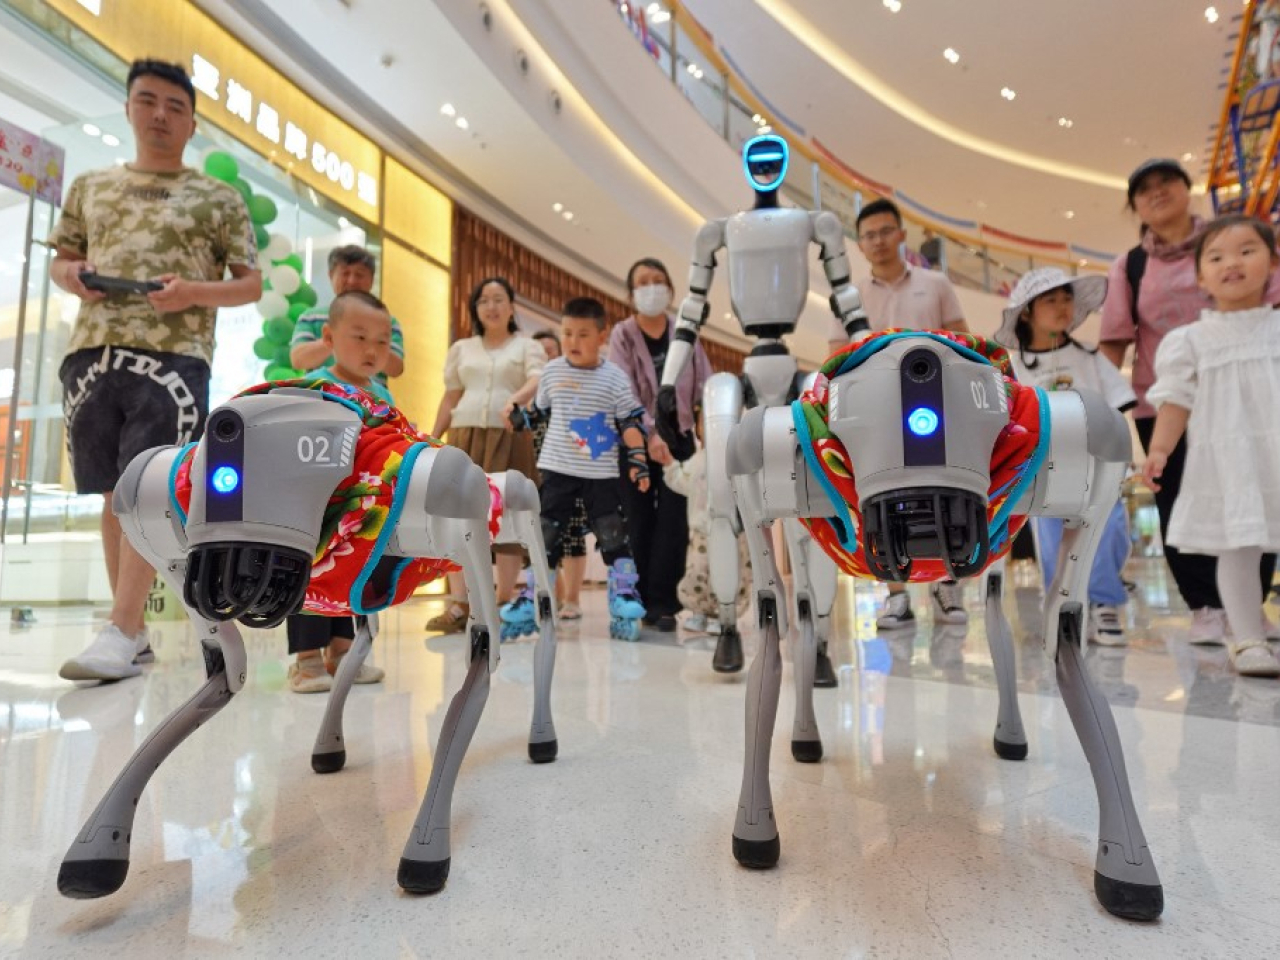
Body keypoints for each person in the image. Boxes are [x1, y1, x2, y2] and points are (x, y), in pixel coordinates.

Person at [54, 59, 261, 683]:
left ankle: (120, 629)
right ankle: (132, 631)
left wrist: (193, 292)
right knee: (111, 492)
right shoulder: (91, 186)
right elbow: (63, 260)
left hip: (174, 355)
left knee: (148, 486)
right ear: (128, 109)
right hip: (92, 350)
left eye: (175, 106)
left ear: (193, 121)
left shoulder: (217, 197)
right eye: (147, 101)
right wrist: (74, 278)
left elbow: (249, 284)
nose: (161, 115)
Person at [1100, 159, 1280, 644]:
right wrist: (1097, 398)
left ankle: (1248, 607)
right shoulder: (1132, 264)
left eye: (1167, 183)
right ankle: (1205, 606)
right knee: (1181, 500)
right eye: (1144, 190)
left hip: (1257, 403)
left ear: (1187, 190)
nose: (1157, 193)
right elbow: (1116, 334)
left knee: (1258, 498)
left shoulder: (1236, 237)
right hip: (1165, 400)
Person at [1141, 214, 1280, 677]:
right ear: (1200, 278)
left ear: (1272, 262)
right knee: (1237, 549)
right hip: (1230, 461)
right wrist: (1159, 450)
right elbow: (1175, 402)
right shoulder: (1190, 341)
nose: (1232, 263)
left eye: (1246, 251)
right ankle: (1248, 640)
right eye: (1216, 257)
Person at [825, 199, 971, 630]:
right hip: (876, 416)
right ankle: (895, 593)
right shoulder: (847, 297)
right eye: (869, 235)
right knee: (879, 498)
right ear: (860, 244)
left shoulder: (935, 283)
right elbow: (836, 356)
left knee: (945, 491)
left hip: (936, 405)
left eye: (886, 231)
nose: (878, 241)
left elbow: (962, 341)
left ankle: (947, 586)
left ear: (902, 235)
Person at [998, 267, 1136, 646]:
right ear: (1027, 310)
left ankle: (1105, 605)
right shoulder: (1014, 367)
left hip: (1096, 462)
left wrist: (1124, 455)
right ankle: (1061, 607)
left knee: (1107, 531)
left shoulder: (1090, 357)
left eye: (1066, 298)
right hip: (1043, 470)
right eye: (1050, 300)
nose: (1062, 307)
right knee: (1051, 540)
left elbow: (1118, 405)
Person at [501, 297, 649, 639]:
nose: (572, 342)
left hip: (601, 475)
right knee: (547, 533)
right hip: (557, 469)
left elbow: (629, 421)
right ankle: (532, 596)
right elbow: (539, 413)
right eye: (567, 333)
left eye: (583, 334)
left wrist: (639, 462)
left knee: (613, 533)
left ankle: (624, 595)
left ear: (602, 336)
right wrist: (519, 419)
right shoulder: (552, 371)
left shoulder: (614, 378)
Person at [286, 291, 395, 692]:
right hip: (316, 506)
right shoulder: (317, 387)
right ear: (329, 337)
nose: (372, 349)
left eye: (382, 341)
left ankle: (345, 652)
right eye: (360, 337)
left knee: (353, 574)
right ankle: (307, 660)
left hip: (362, 508)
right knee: (310, 577)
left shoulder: (383, 395)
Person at [427, 277, 545, 632]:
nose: (491, 306)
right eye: (483, 301)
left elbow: (539, 378)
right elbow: (451, 396)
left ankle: (502, 602)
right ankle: (460, 605)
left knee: (505, 517)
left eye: (499, 299)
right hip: (463, 437)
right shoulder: (462, 348)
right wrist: (433, 438)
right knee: (456, 519)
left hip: (509, 437)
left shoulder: (526, 346)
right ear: (475, 309)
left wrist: (515, 399)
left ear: (511, 307)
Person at [609, 257, 712, 631]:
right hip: (636, 437)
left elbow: (705, 383)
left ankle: (664, 603)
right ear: (631, 294)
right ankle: (635, 599)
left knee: (675, 521)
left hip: (680, 437)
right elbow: (621, 389)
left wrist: (703, 426)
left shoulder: (685, 334)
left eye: (658, 280)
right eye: (642, 282)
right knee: (638, 517)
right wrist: (650, 432)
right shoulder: (622, 335)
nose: (651, 287)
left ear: (669, 289)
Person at [663, 407, 751, 633]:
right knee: (698, 571)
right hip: (701, 531)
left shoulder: (738, 460)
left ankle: (723, 612)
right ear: (698, 430)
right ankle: (699, 611)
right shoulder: (698, 460)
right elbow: (683, 482)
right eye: (705, 423)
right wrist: (669, 465)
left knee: (729, 571)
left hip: (733, 530)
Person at [530, 330, 588, 618]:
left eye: (551, 350)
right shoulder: (528, 392)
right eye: (540, 351)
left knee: (573, 533)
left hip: (572, 470)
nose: (546, 356)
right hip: (537, 472)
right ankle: (549, 597)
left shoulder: (574, 385)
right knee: (543, 534)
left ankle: (573, 600)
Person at [289, 245, 405, 384]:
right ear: (331, 275)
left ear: (372, 279)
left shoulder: (387, 322)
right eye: (345, 273)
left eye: (359, 275)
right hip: (322, 397)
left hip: (371, 401)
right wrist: (339, 337)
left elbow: (396, 369)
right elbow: (298, 360)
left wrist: (369, 342)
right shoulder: (310, 317)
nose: (352, 280)